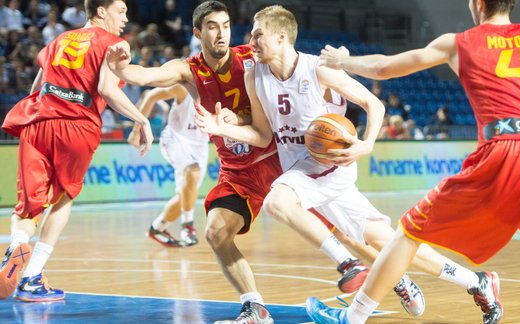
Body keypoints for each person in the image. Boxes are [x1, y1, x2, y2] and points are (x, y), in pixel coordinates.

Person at [196, 5, 498, 322]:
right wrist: (223, 129)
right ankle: (477, 282)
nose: (250, 41)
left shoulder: (318, 70)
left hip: (330, 165)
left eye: (258, 35)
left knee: (276, 201)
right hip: (301, 170)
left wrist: (365, 145)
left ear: (281, 36)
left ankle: (348, 264)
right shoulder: (254, 75)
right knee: (393, 243)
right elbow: (261, 135)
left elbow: (373, 104)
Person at [306, 0, 520, 323]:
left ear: (477, 4)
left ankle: (353, 317)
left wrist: (345, 60)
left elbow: (383, 68)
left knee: (407, 233)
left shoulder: (458, 43)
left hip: (507, 150)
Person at [106, 2, 370, 322]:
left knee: (345, 231)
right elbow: (148, 76)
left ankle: (394, 277)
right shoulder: (188, 69)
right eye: (213, 26)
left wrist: (339, 63)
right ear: (197, 32)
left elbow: (293, 63)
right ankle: (254, 306)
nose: (221, 33)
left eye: (226, 25)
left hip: (280, 161)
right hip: (238, 171)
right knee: (216, 233)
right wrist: (120, 66)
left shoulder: (251, 56)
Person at [0, 0, 153, 302]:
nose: (126, 17)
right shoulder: (113, 43)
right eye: (120, 11)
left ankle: (16, 244)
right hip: (76, 124)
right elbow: (108, 90)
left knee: (27, 204)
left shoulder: (59, 39)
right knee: (63, 198)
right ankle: (31, 276)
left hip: (38, 120)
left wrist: (41, 110)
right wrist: (141, 118)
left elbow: (37, 86)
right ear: (100, 11)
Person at [127, 84, 209, 247]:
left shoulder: (223, 90)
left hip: (201, 145)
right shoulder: (185, 88)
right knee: (193, 172)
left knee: (186, 197)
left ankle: (157, 228)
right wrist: (137, 132)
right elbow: (150, 96)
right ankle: (187, 226)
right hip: (175, 138)